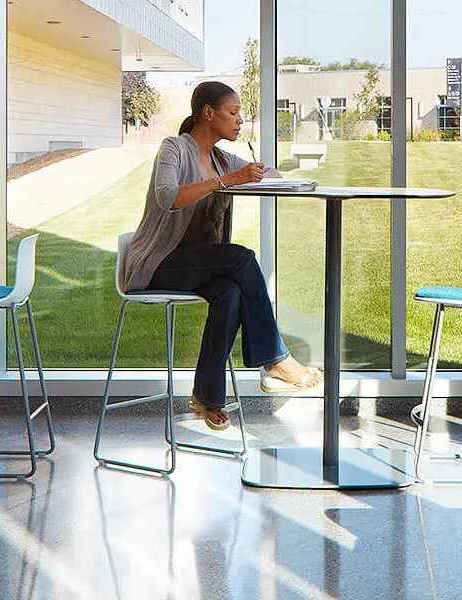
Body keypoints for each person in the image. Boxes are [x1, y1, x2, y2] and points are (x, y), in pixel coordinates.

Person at [122, 81, 323, 431]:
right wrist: (226, 181)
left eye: (240, 113)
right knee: (242, 259)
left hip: (196, 263)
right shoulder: (174, 149)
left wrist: (272, 176)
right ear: (208, 113)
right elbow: (168, 196)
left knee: (230, 292)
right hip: (157, 264)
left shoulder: (220, 157)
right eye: (233, 113)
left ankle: (207, 396)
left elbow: (264, 175)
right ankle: (275, 359)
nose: (240, 120)